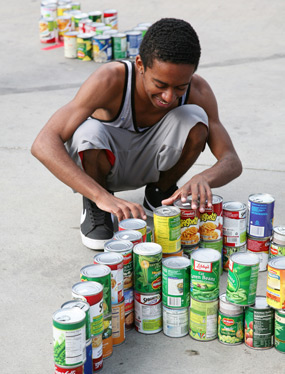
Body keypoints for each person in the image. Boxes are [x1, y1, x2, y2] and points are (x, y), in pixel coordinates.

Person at [31, 18, 242, 250]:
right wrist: (101, 196)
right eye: (160, 84)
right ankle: (96, 204)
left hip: (153, 167)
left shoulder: (198, 90)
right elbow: (43, 143)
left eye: (180, 86)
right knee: (87, 132)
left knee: (195, 118)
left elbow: (231, 160)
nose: (169, 96)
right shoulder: (110, 79)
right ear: (140, 64)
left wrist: (205, 178)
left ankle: (160, 193)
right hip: (104, 169)